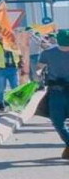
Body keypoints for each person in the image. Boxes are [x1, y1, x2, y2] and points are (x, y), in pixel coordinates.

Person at [34, 29, 69, 158]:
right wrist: (37, 74)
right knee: (57, 121)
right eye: (65, 46)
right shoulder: (48, 53)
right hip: (56, 91)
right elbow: (39, 67)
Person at [0, 30, 19, 112]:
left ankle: (15, 104)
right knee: (0, 89)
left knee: (15, 87)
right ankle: (1, 103)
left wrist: (19, 62)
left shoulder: (12, 43)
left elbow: (18, 53)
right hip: (1, 69)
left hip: (13, 68)